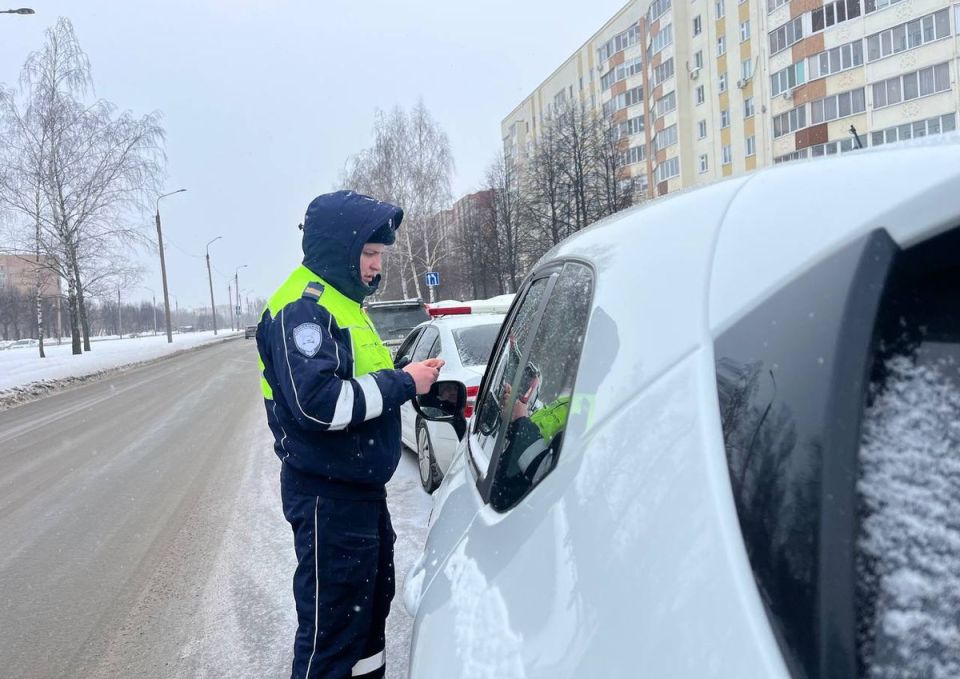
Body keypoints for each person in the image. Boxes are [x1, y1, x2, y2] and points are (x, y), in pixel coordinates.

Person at [256, 190, 442, 679]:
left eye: (380, 256)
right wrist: (404, 382)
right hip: (327, 500)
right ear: (341, 247)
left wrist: (408, 380)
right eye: (369, 254)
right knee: (332, 637)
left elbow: (359, 385)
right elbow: (320, 405)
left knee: (366, 626)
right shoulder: (304, 309)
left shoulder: (343, 305)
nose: (376, 267)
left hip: (357, 496)